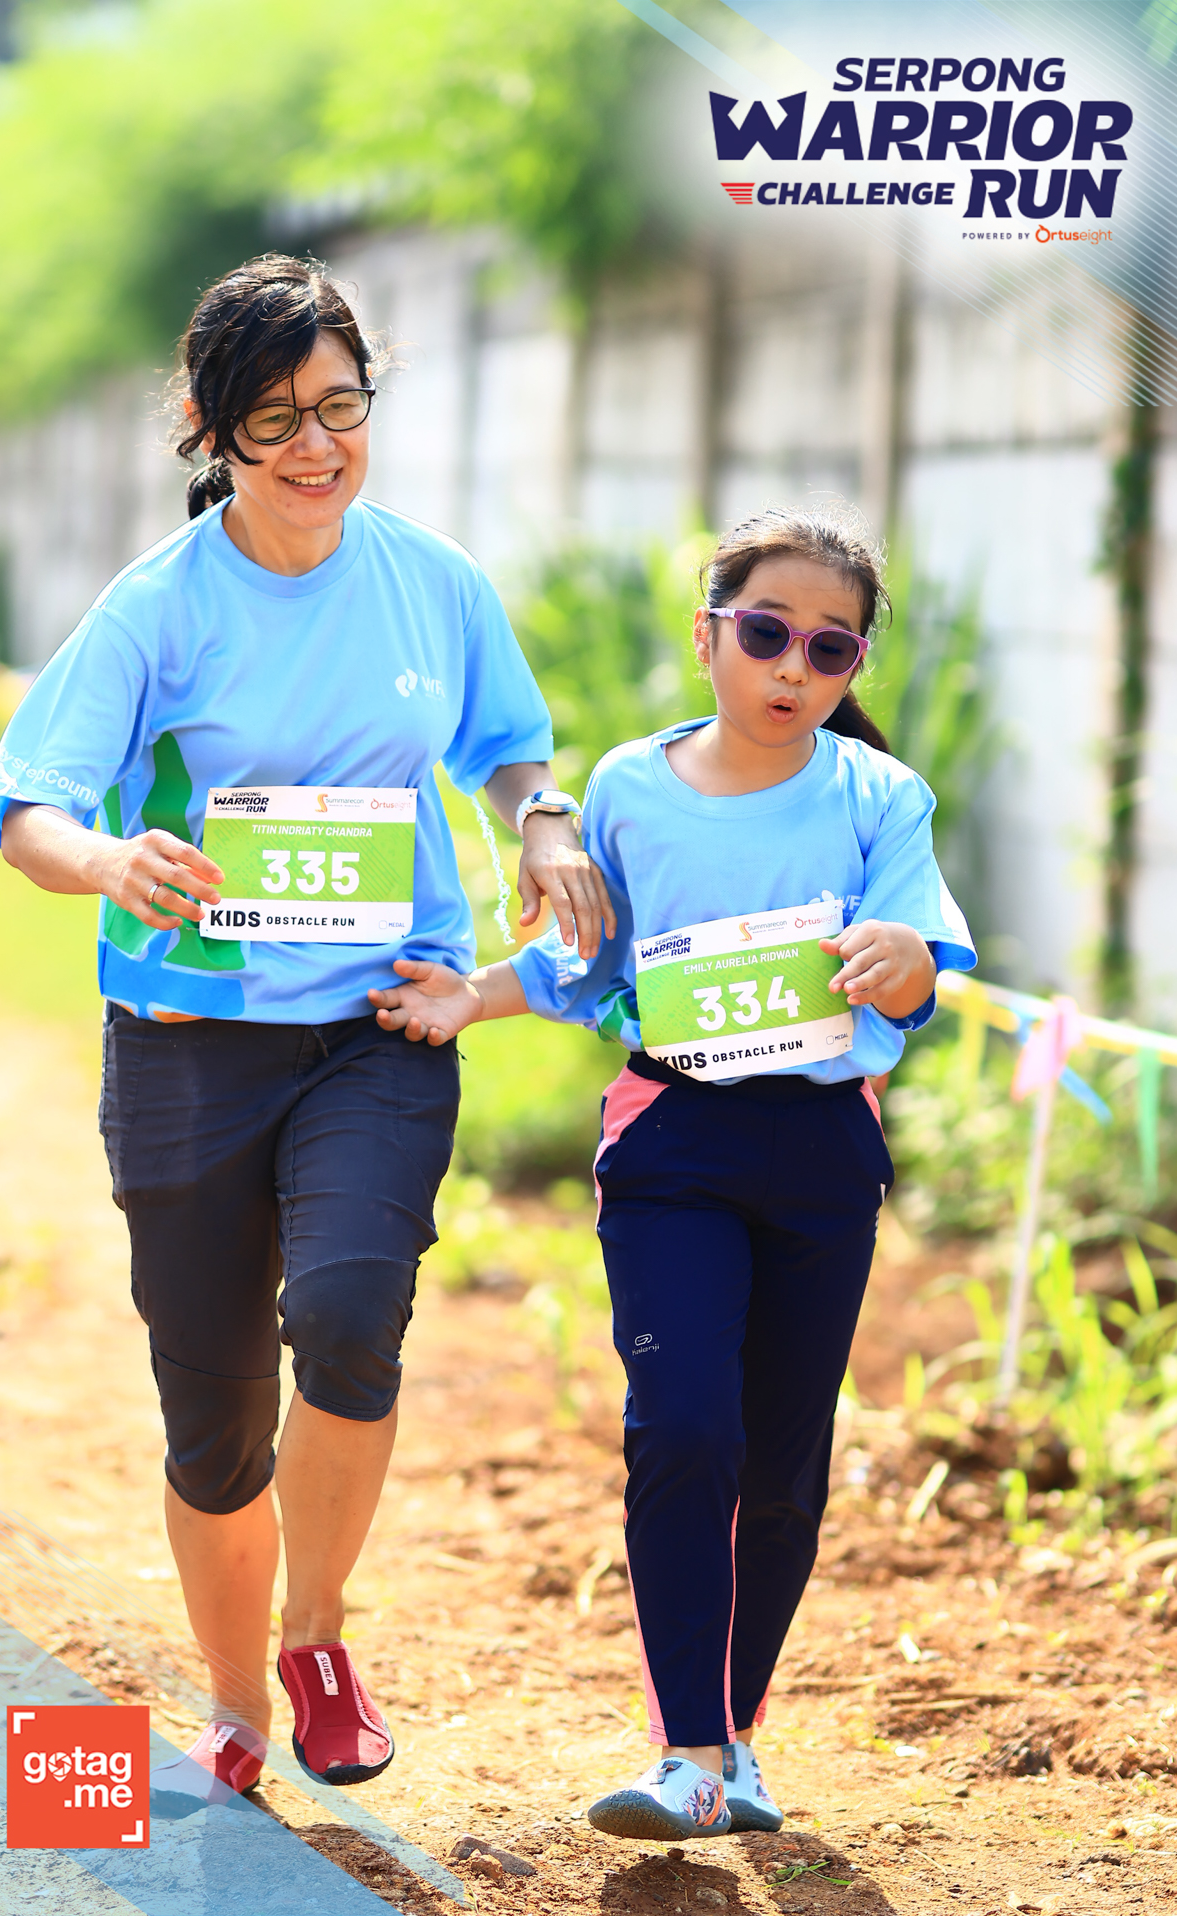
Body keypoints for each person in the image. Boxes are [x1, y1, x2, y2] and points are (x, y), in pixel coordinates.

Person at [0, 253, 614, 1797]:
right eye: (276, 420)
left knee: (345, 1313)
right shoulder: (158, 609)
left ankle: (317, 1637)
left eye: (342, 406)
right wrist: (109, 862)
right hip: (188, 1041)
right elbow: (29, 808)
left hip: (377, 1024)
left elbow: (512, 749)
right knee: (213, 1414)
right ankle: (234, 1693)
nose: (318, 446)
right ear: (212, 431)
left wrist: (542, 825)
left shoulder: (433, 583)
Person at [368, 504, 977, 1839]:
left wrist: (902, 962)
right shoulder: (628, 789)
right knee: (685, 1425)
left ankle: (737, 1743)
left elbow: (919, 963)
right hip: (674, 1145)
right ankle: (687, 1752)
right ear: (709, 635)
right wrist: (467, 996)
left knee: (787, 1461)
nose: (793, 668)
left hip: (822, 1152)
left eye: (830, 649)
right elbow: (587, 962)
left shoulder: (883, 798)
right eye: (766, 633)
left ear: (854, 668)